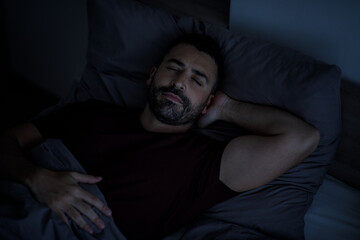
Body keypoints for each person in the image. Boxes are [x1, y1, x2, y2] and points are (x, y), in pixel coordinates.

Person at [0, 34, 320, 239]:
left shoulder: (205, 163)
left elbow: (301, 138)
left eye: (197, 79)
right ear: (153, 75)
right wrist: (36, 177)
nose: (180, 82)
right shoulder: (90, 110)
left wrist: (226, 109)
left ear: (207, 100)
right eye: (174, 68)